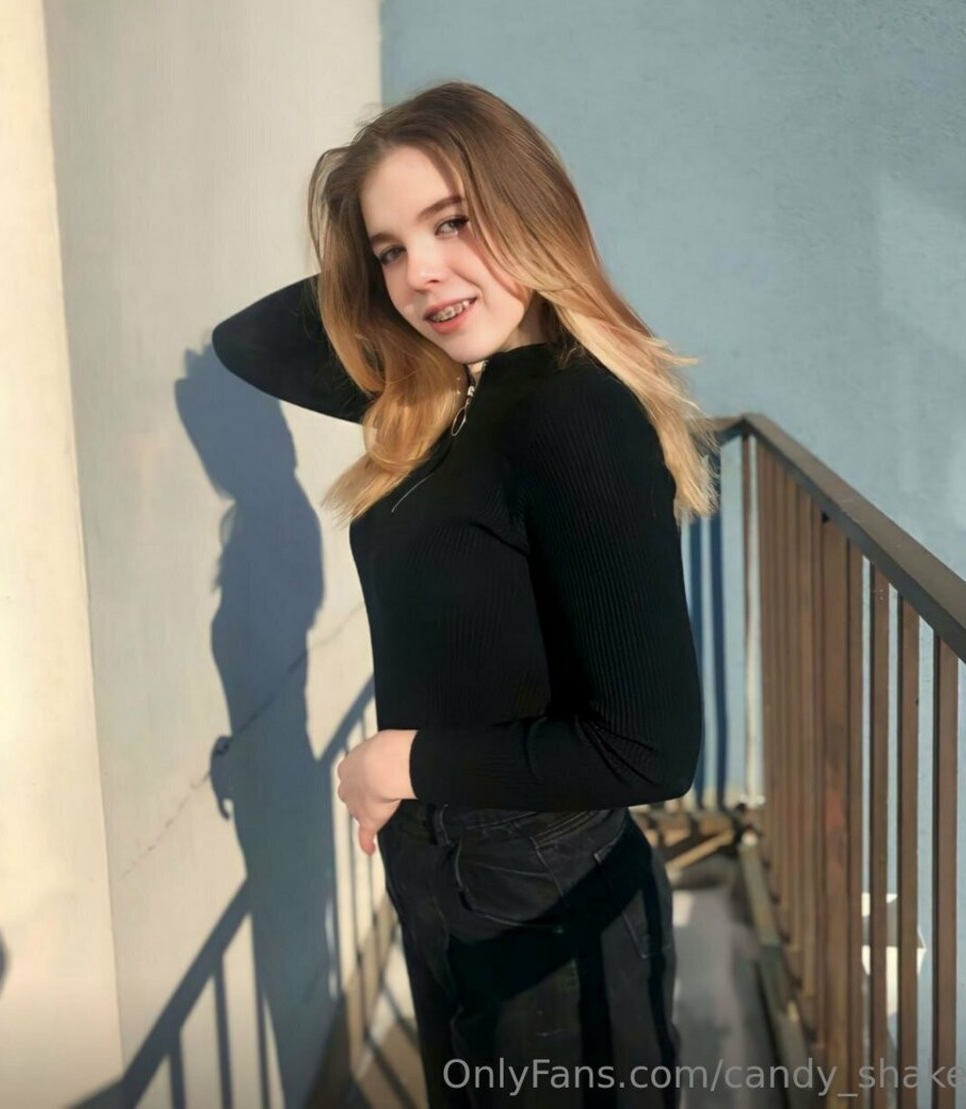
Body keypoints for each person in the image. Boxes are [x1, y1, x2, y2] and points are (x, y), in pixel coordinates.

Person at [212, 80, 715, 1109]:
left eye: (453, 223)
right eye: (390, 251)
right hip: (453, 875)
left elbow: (650, 750)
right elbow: (249, 341)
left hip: (545, 904)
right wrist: (369, 264)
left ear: (532, 210)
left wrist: (398, 759)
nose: (421, 273)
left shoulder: (573, 415)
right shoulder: (454, 398)